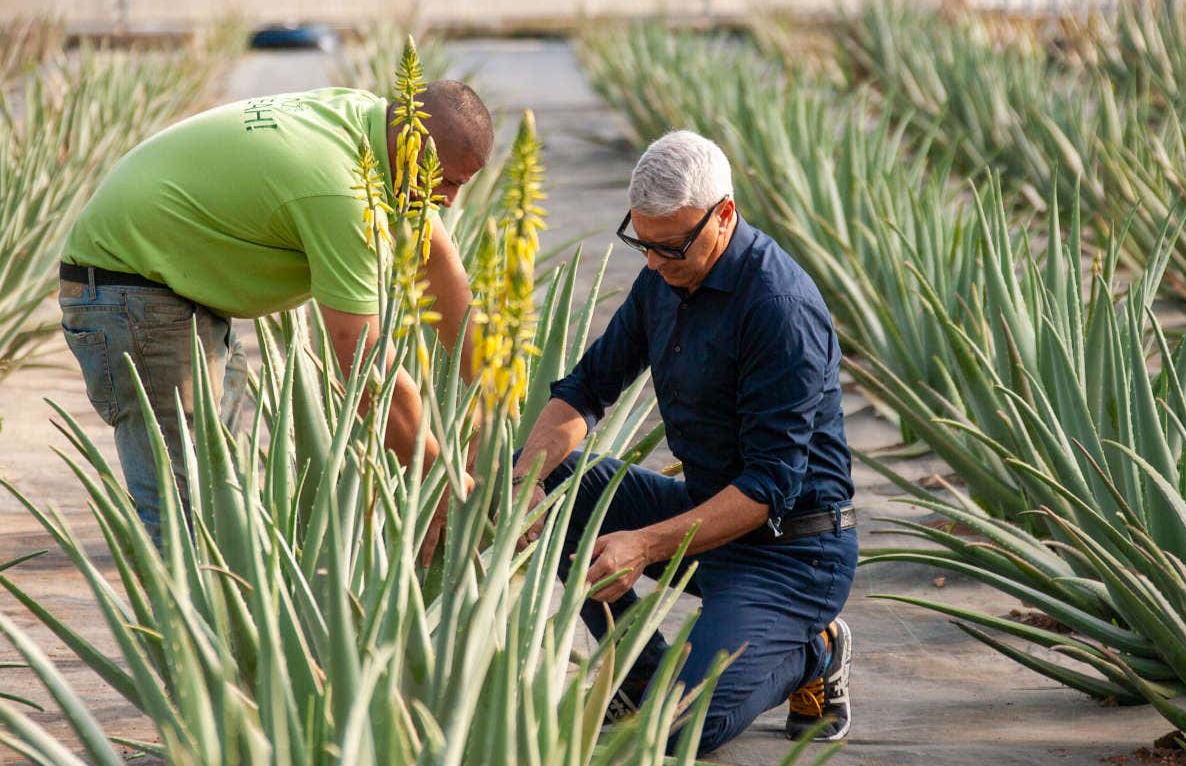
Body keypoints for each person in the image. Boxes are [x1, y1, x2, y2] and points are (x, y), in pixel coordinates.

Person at [512, 130, 858, 753]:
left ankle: (815, 650)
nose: (651, 263)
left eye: (669, 246)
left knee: (680, 733)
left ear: (724, 215)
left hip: (791, 555)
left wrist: (644, 544)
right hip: (707, 518)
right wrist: (522, 485)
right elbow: (586, 390)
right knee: (559, 484)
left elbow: (769, 486)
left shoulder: (779, 307)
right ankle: (643, 675)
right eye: (640, 242)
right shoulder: (663, 279)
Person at [58, 81, 491, 551]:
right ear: (412, 144)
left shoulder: (374, 124)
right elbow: (363, 360)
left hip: (176, 282)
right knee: (184, 505)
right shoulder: (341, 191)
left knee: (216, 486)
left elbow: (440, 271)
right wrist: (440, 475)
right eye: (445, 181)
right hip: (128, 286)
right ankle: (185, 620)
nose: (448, 199)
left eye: (458, 186)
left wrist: (491, 403)